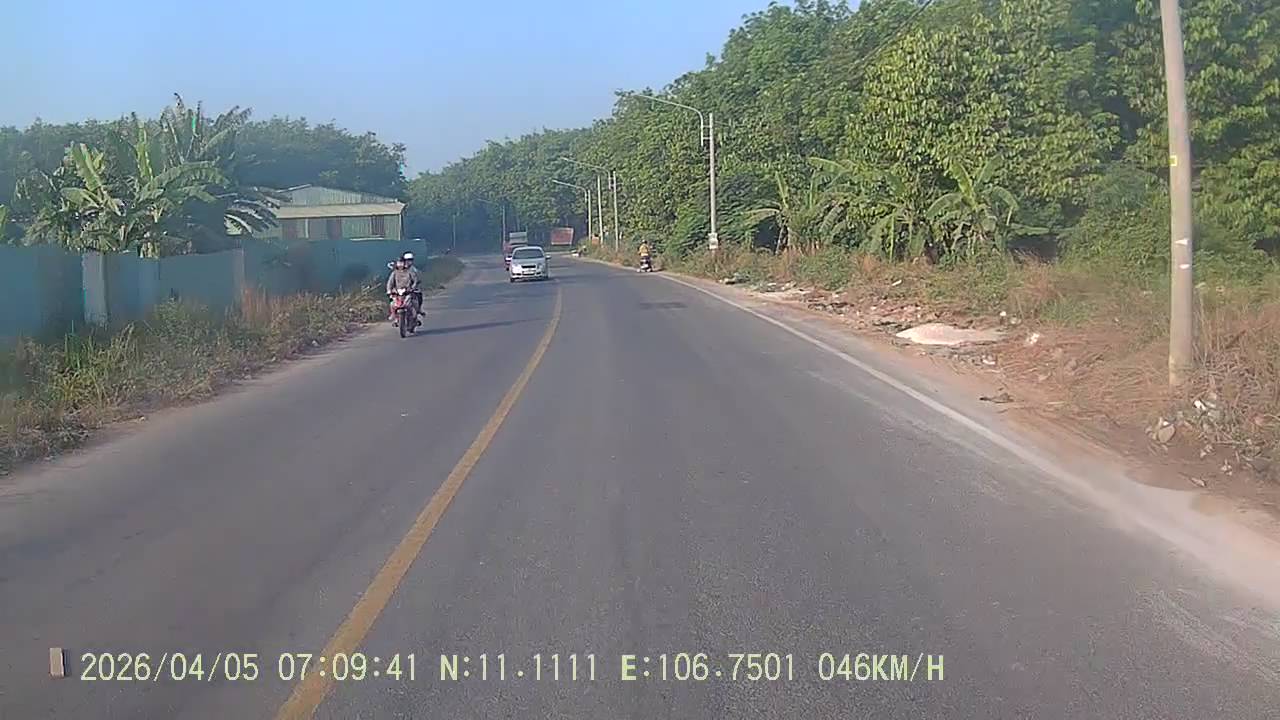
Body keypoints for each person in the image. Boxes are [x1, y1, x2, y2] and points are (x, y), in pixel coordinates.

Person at [386, 252, 424, 325]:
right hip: (398, 291)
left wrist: (412, 288)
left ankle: (417, 312)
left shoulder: (411, 271)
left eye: (402, 262)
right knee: (392, 303)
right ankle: (394, 316)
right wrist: (389, 290)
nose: (401, 264)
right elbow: (390, 282)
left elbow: (415, 280)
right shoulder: (395, 272)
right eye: (399, 263)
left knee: (415, 300)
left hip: (409, 290)